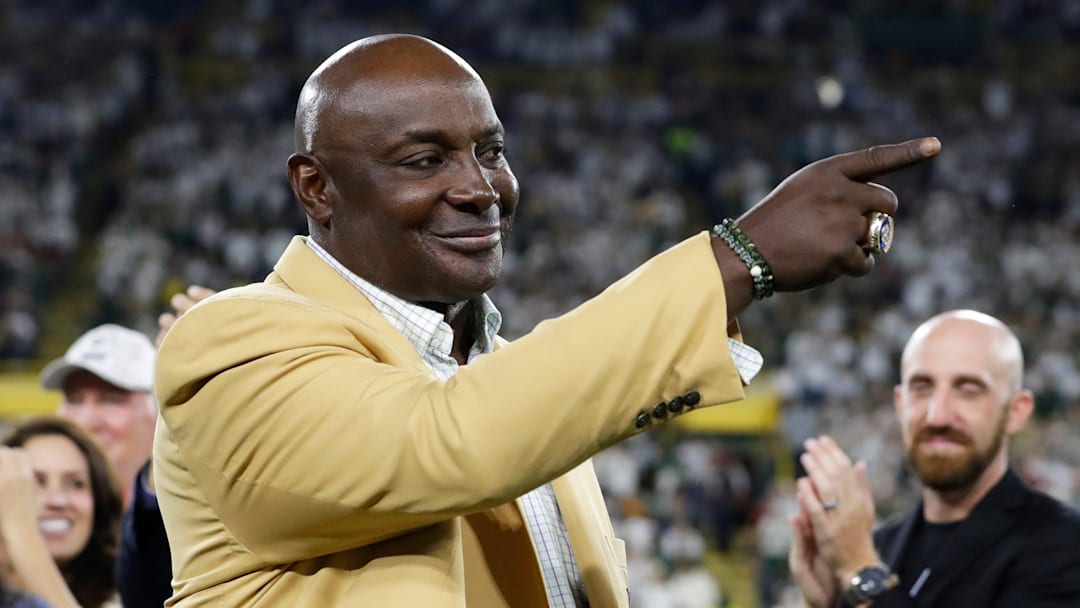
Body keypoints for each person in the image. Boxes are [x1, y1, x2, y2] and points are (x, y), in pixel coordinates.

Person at [152, 33, 939, 606]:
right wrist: (736, 260)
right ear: (316, 188)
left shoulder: (511, 381)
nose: (480, 188)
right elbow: (438, 446)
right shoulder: (232, 340)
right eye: (424, 161)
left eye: (489, 151)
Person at [788, 310, 1080, 607]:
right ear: (900, 406)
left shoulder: (1064, 545)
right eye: (922, 388)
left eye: (968, 390)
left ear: (1016, 411)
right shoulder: (880, 547)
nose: (937, 415)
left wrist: (861, 573)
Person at [1, 416, 124, 608]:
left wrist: (22, 532)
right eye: (35, 481)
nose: (57, 500)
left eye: (76, 484)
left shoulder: (131, 593)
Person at [39, 323, 158, 507]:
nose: (85, 422)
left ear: (157, 415)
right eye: (74, 400)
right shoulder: (26, 513)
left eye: (111, 401)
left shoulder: (194, 518)